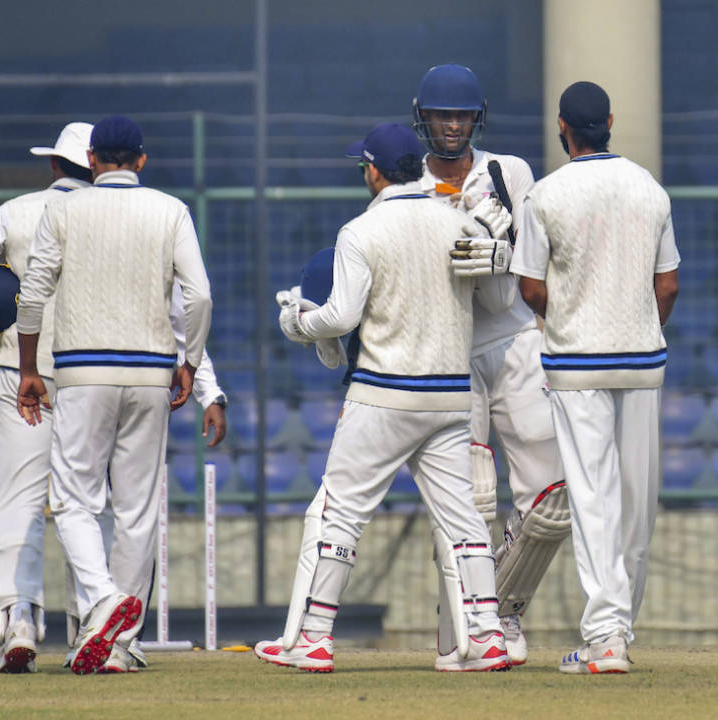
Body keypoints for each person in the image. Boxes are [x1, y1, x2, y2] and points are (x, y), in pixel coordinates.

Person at [0, 122, 225, 674]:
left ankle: (19, 621)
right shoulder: (162, 210)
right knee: (122, 509)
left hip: (41, 374)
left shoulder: (26, 212)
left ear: (63, 164)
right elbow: (185, 306)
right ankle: (110, 638)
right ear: (131, 161)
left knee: (26, 501)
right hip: (135, 368)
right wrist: (200, 375)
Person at [253, 123, 512, 673]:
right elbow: (497, 296)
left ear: (373, 171)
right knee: (463, 518)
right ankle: (488, 636)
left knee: (342, 512)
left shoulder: (360, 232)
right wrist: (500, 248)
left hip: (384, 393)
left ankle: (316, 638)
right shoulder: (458, 221)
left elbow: (341, 317)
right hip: (448, 396)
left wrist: (298, 323)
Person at [16, 115, 213, 675]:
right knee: (136, 509)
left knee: (76, 500)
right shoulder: (170, 209)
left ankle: (102, 601)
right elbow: (199, 296)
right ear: (142, 161)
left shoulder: (64, 210)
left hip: (82, 372)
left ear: (94, 159)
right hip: (152, 372)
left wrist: (29, 368)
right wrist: (190, 362)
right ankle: (121, 645)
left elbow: (32, 296)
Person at [511, 80, 680, 674]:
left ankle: (606, 636)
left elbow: (530, 285)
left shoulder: (546, 195)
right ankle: (617, 631)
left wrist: (573, 321)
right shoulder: (649, 188)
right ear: (609, 119)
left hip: (576, 361)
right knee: (636, 501)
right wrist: (637, 326)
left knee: (594, 497)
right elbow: (669, 285)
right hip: (641, 360)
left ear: (563, 128)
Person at [413, 63, 569, 666]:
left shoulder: (509, 172)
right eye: (441, 115)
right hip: (447, 344)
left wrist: (501, 252)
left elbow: (533, 258)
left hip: (513, 339)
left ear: (476, 117)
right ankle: (469, 616)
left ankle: (496, 613)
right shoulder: (406, 183)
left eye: (461, 115)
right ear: (422, 117)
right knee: (472, 499)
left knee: (553, 499)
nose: (452, 126)